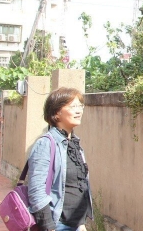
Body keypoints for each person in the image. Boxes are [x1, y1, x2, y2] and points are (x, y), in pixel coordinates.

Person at [27, 87, 93, 231]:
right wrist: (49, 227)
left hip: (76, 223)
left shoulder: (74, 144)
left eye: (80, 106)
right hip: (58, 224)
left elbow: (78, 186)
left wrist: (81, 223)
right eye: (72, 106)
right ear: (56, 113)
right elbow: (36, 190)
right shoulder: (46, 144)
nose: (79, 110)